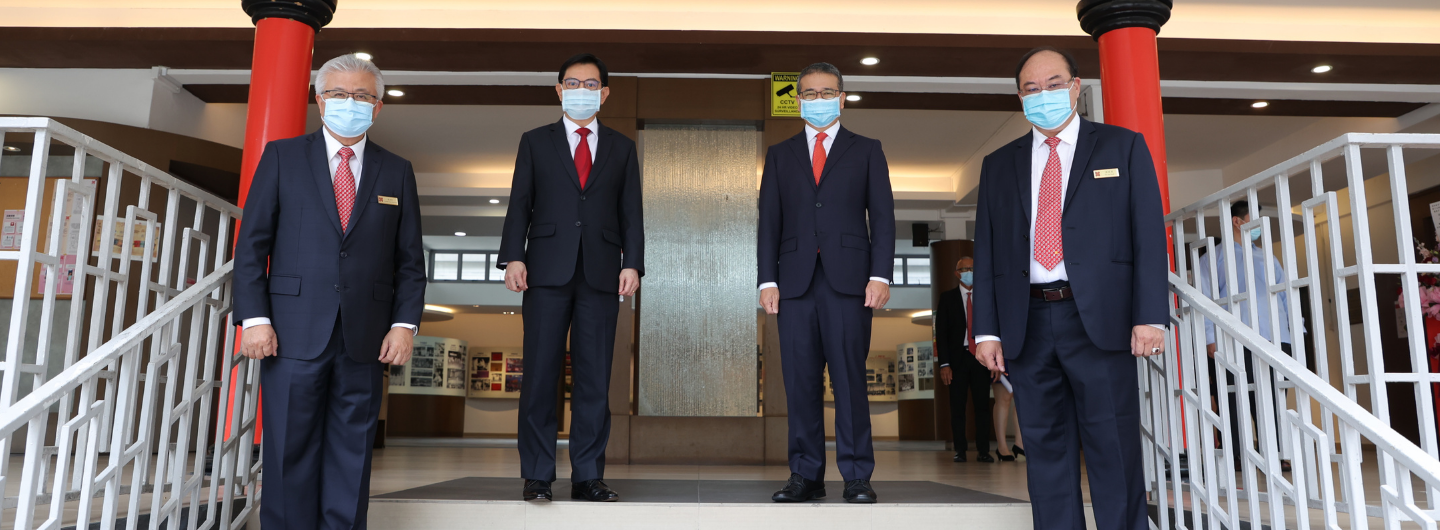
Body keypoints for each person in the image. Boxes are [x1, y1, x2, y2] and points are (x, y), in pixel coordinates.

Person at [970, 46, 1168, 530]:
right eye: (1031, 88)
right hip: (1028, 323)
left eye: (1054, 84)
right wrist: (987, 331)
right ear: (1020, 98)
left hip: (1099, 320)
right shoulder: (999, 164)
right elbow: (989, 252)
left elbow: (1147, 235)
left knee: (1112, 446)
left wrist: (1149, 315)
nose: (1043, 95)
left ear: (1076, 87)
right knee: (1045, 452)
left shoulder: (1122, 147)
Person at [234, 54, 425, 530]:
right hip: (290, 333)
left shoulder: (396, 170)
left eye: (361, 95)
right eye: (339, 94)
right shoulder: (282, 157)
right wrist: (254, 318)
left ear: (377, 107)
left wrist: (404, 325)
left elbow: (409, 261)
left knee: (352, 455)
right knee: (288, 451)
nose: (349, 103)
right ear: (319, 101)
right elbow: (252, 245)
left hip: (366, 338)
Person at [498, 53, 643, 503]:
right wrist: (513, 257)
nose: (582, 91)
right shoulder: (535, 141)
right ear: (559, 90)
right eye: (573, 84)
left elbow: (631, 211)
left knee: (595, 379)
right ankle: (537, 475)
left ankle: (588, 476)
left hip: (602, 273)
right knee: (540, 375)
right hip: (544, 271)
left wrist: (633, 263)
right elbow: (520, 202)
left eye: (591, 84)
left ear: (605, 93)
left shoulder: (622, 147)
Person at [758, 62, 895, 504]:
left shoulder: (867, 149)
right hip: (793, 285)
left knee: (850, 380)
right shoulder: (780, 154)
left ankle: (857, 476)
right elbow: (769, 223)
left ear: (842, 98)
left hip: (850, 284)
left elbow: (883, 217)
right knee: (800, 382)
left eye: (827, 92)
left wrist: (880, 274)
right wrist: (767, 280)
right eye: (810, 94)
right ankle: (805, 475)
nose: (819, 100)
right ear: (798, 101)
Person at [1196, 200, 1296, 469]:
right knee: (1235, 396)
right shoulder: (1213, 259)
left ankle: (1274, 453)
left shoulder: (1268, 257)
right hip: (1235, 339)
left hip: (1275, 336)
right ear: (1237, 222)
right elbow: (1205, 300)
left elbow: (1285, 296)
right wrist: (1210, 338)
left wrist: (1295, 332)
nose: (1259, 227)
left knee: (1273, 396)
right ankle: (1237, 453)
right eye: (1254, 220)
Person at [936, 257, 995, 463]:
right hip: (957, 360)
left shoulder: (986, 297)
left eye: (972, 268)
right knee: (957, 407)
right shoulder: (947, 298)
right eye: (964, 269)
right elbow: (941, 334)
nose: (969, 271)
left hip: (981, 358)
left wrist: (994, 360)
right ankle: (960, 450)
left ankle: (983, 451)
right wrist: (944, 364)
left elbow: (994, 328)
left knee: (983, 407)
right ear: (957, 273)